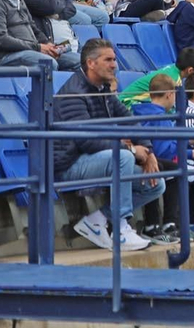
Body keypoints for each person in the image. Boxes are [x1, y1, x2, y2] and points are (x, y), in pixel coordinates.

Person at [52, 39, 167, 251]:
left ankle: (96, 220)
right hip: (69, 164)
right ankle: (121, 228)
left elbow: (130, 121)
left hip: (93, 159)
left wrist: (148, 150)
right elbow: (86, 141)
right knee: (122, 157)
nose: (115, 65)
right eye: (108, 60)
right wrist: (132, 150)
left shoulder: (102, 89)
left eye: (114, 59)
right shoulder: (73, 94)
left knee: (155, 183)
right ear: (91, 63)